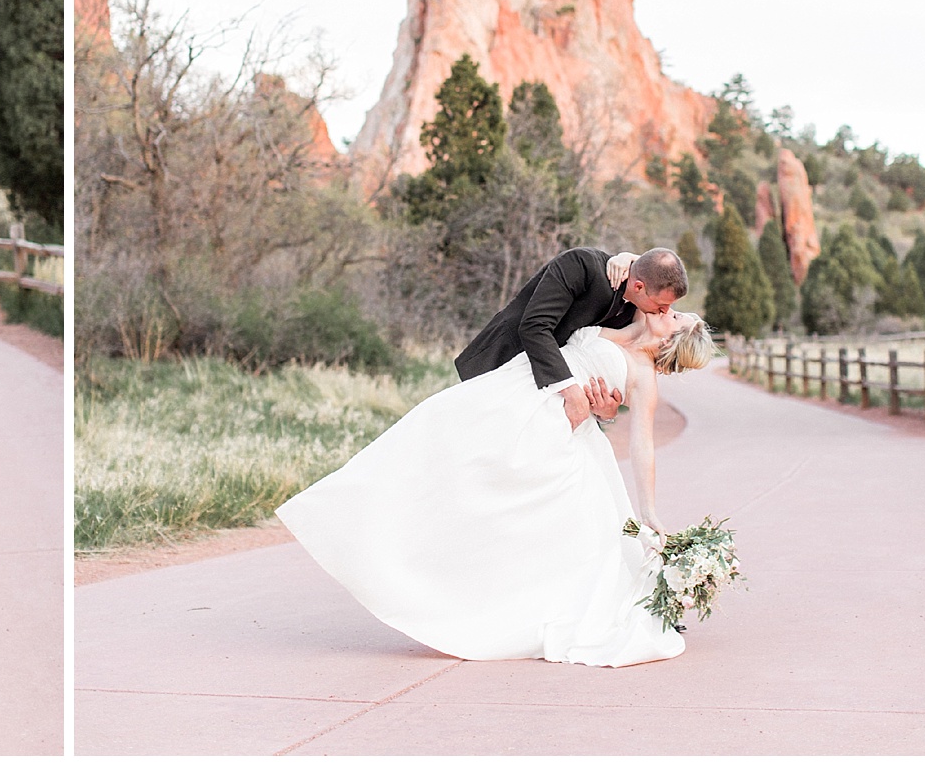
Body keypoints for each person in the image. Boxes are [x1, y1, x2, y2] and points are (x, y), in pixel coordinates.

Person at [276, 246, 715, 667]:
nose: (664, 313)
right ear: (637, 287)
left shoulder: (642, 366)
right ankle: (349, 515)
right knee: (429, 441)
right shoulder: (616, 301)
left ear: (670, 339)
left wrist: (647, 503)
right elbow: (564, 316)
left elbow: (642, 444)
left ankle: (473, 601)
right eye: (665, 308)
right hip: (518, 389)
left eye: (671, 315)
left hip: (555, 429)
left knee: (515, 513)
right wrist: (621, 260)